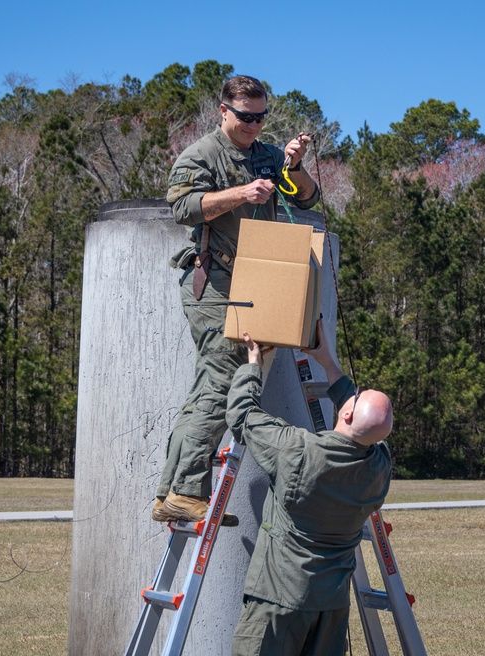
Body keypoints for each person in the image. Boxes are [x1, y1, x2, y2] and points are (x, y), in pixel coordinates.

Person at [153, 74, 321, 524]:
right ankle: (188, 490)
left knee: (208, 386)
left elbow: (307, 198)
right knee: (225, 380)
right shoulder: (201, 155)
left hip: (253, 281)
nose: (254, 125)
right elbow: (181, 207)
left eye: (261, 117)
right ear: (223, 110)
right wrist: (242, 193)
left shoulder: (267, 155)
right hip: (213, 279)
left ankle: (172, 492)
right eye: (246, 117)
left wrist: (294, 164)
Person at [225, 323, 393, 655]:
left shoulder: (297, 451)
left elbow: (242, 415)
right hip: (330, 605)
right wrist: (327, 361)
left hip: (279, 599)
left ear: (347, 412)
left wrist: (254, 364)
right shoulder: (379, 468)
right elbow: (362, 421)